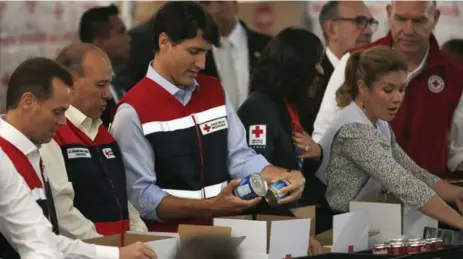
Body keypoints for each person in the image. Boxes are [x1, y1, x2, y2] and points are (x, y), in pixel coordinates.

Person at [111, 1, 306, 232]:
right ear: (164, 42)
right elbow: (141, 198)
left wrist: (284, 176)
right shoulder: (132, 112)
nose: (202, 64)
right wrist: (210, 207)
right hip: (167, 244)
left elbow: (240, 157)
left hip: (222, 235)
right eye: (194, 51)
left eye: (206, 52)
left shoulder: (214, 90)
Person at [0, 57, 156, 259]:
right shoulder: (6, 155)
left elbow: (45, 240)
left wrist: (116, 254)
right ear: (28, 102)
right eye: (57, 112)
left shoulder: (30, 154)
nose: (62, 122)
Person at [313, 0, 463, 178]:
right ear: (389, 13)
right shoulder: (354, 62)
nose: (408, 30)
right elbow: (323, 135)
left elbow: (458, 152)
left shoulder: (455, 75)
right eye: (400, 19)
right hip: (359, 200)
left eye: (418, 21)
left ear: (435, 18)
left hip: (430, 198)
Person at [319, 46, 463, 230]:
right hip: (332, 228)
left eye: (402, 89)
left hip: (357, 222)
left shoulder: (379, 123)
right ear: (363, 88)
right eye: (388, 90)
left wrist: (455, 193)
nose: (397, 98)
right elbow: (404, 184)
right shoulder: (353, 130)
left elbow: (413, 172)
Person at [39, 43, 147, 240]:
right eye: (100, 85)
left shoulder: (103, 132)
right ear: (69, 84)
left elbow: (122, 199)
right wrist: (108, 249)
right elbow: (62, 213)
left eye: (109, 85)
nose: (108, 94)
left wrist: (139, 236)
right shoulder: (51, 136)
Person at [237, 27, 331, 235]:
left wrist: (317, 155)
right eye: (315, 62)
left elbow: (299, 170)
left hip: (291, 220)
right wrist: (298, 233)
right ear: (297, 66)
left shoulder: (288, 106)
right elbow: (261, 189)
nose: (320, 70)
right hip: (266, 230)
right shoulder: (259, 109)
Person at [307, 0, 377, 134]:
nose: (369, 31)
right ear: (332, 29)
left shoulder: (375, 77)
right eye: (360, 22)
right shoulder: (309, 80)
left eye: (370, 23)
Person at [199, 1, 272, 109]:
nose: (214, 9)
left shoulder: (267, 47)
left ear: (235, 3)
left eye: (220, 1)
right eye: (206, 2)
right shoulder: (196, 54)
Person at [79, 4, 131, 128]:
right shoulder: (84, 93)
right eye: (121, 32)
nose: (128, 38)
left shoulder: (123, 83)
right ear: (99, 43)